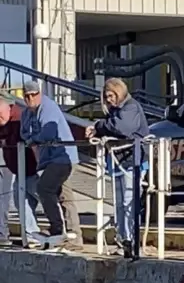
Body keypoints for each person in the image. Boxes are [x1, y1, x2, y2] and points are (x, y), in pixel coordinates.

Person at [86, 78, 150, 257]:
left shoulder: (131, 107)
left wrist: (99, 126)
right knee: (119, 204)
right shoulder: (114, 112)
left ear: (119, 93)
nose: (109, 100)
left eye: (111, 95)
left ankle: (132, 240)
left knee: (129, 202)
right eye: (106, 97)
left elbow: (123, 128)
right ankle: (123, 240)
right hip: (119, 161)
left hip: (132, 161)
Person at [20, 81, 83, 251]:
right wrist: (32, 138)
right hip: (48, 160)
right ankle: (68, 234)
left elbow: (47, 134)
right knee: (62, 195)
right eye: (27, 96)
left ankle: (61, 230)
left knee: (45, 189)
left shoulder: (49, 107)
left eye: (34, 95)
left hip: (63, 157)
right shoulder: (27, 113)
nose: (30, 98)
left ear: (39, 93)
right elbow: (23, 133)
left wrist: (33, 139)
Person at [0, 96, 40, 246]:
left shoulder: (20, 118)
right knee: (21, 201)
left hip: (33, 168)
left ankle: (61, 232)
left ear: (8, 108)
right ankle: (31, 234)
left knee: (47, 198)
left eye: (0, 114)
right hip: (19, 169)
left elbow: (30, 139)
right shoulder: (6, 121)